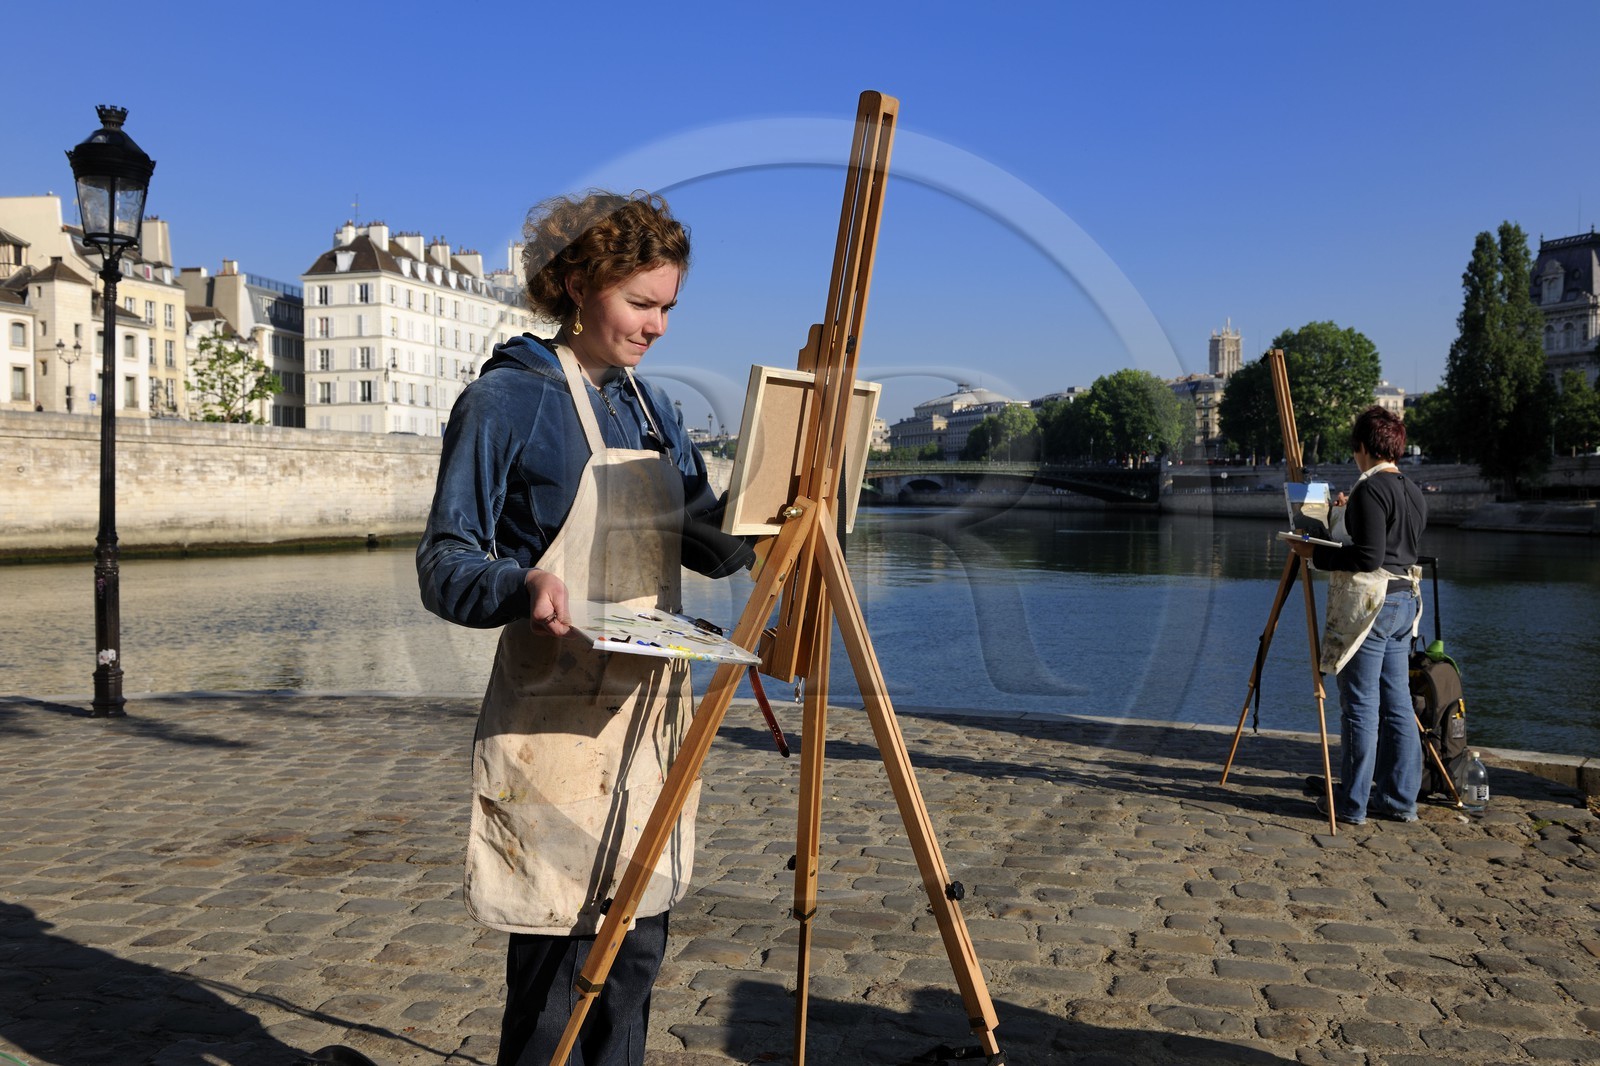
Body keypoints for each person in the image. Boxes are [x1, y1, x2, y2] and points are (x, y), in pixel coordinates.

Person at [416, 189, 753, 1065]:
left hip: (646, 725)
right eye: (641, 303)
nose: (659, 327)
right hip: (555, 725)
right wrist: (524, 583)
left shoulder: (652, 410)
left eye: (668, 306)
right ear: (574, 283)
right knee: (560, 964)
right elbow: (444, 564)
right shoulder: (507, 400)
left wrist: (782, 503)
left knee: (636, 952)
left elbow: (714, 551)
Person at [1288, 405, 1427, 825]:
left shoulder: (1371, 489)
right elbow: (1387, 548)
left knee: (1359, 707)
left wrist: (1315, 554)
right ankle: (1400, 800)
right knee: (1398, 705)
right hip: (1405, 602)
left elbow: (1367, 559)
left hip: (1373, 605)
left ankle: (1350, 805)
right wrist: (1347, 514)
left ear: (1362, 448)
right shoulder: (1412, 490)